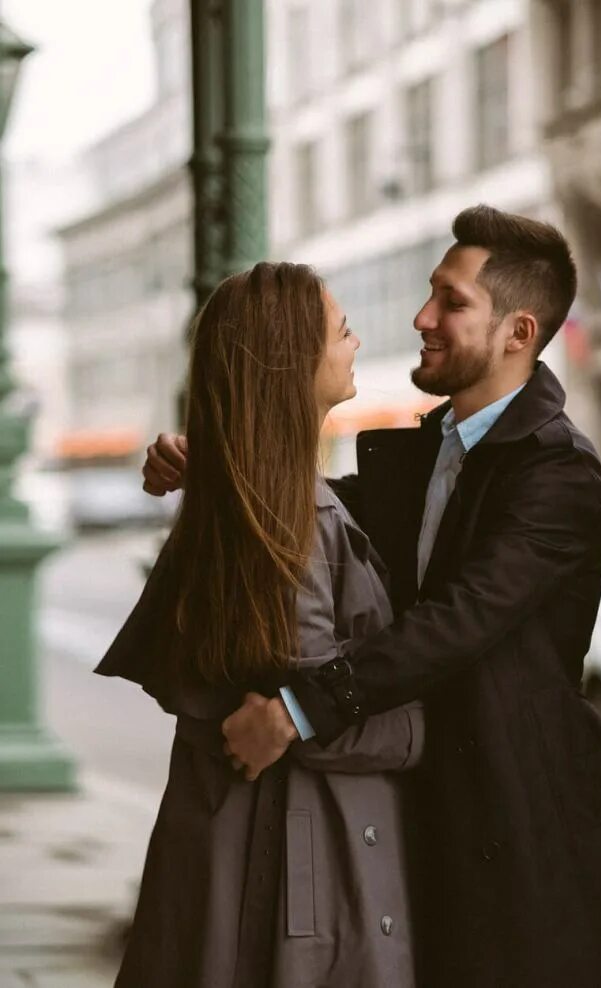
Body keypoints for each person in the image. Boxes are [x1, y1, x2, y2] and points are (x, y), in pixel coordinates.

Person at [143, 207, 601, 988]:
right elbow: (307, 510)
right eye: (430, 294)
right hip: (418, 812)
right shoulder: (426, 454)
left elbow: (458, 622)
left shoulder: (559, 477)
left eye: (451, 301)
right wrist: (213, 462)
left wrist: (296, 710)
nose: (423, 318)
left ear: (517, 332)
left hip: (514, 826)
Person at [98, 261, 426, 988]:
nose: (357, 343)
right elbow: (298, 699)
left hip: (242, 851)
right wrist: (419, 728)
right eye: (342, 331)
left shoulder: (247, 503)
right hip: (305, 861)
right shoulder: (292, 516)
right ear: (293, 359)